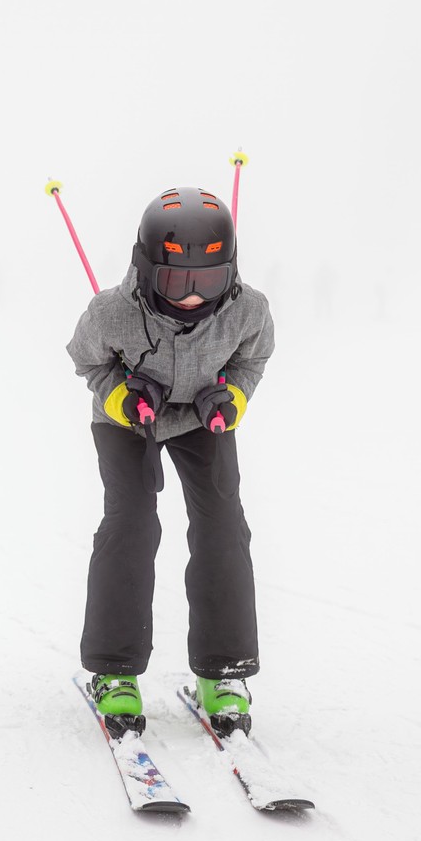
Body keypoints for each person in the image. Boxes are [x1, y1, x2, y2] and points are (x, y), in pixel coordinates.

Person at [68, 187, 274, 735]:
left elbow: (252, 360)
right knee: (131, 525)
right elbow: (86, 360)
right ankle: (114, 672)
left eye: (207, 281)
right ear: (145, 268)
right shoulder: (111, 312)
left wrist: (230, 395)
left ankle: (223, 670)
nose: (189, 297)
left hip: (202, 421)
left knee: (223, 527)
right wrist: (120, 394)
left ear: (228, 272)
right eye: (176, 281)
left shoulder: (248, 310)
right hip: (128, 419)